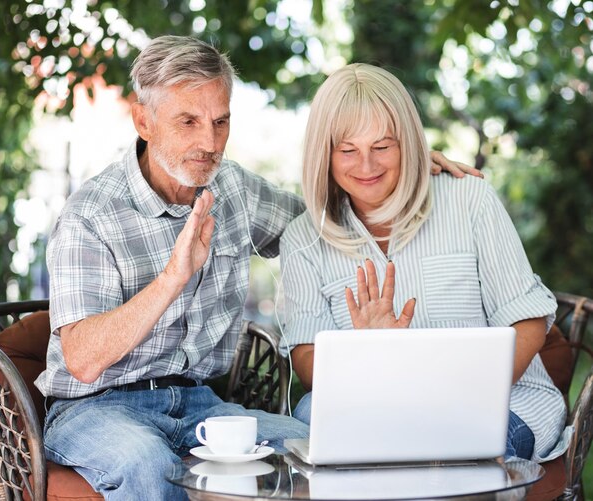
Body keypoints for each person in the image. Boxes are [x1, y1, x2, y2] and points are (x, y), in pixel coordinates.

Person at [36, 36, 476, 499]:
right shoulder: (91, 214)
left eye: (220, 122)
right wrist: (172, 278)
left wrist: (396, 167)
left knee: (318, 450)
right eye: (188, 121)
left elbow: (325, 221)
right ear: (143, 120)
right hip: (95, 410)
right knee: (149, 466)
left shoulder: (234, 190)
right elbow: (82, 361)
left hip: (199, 404)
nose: (209, 142)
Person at [280, 63, 571, 462]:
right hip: (375, 410)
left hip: (504, 405)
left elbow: (529, 321)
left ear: (409, 143)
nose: (367, 167)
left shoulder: (469, 200)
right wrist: (365, 353)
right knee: (313, 419)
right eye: (348, 150)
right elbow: (307, 359)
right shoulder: (302, 239)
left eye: (383, 147)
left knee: (439, 452)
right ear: (323, 154)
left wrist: (468, 399)